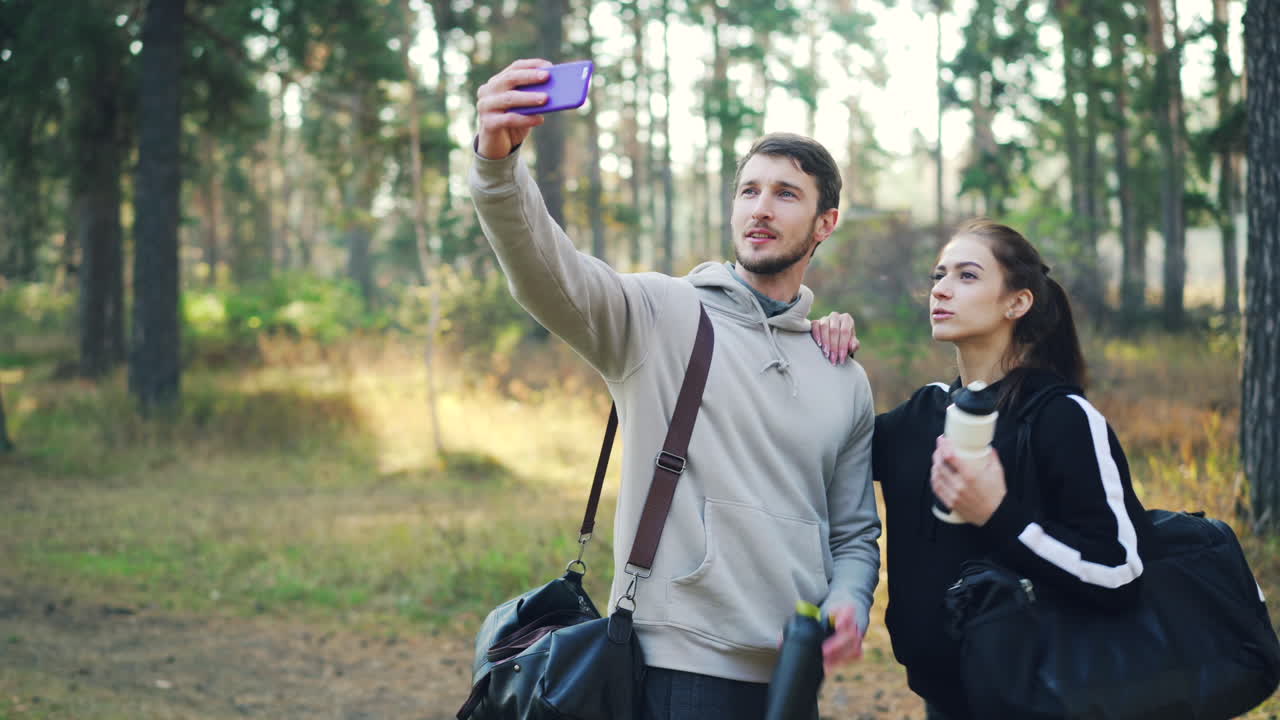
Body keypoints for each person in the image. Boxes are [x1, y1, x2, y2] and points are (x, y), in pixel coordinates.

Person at [469, 59, 881, 719]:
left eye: (785, 193)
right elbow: (547, 271)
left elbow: (856, 532)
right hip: (673, 667)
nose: (760, 209)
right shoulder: (661, 315)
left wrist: (850, 601)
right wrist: (498, 166)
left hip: (791, 675)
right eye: (748, 191)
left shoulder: (843, 374)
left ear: (825, 222)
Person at [812, 218, 1152, 720]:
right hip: (943, 699)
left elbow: (1119, 572)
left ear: (1017, 302)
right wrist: (823, 351)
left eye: (967, 276)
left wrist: (999, 516)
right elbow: (824, 450)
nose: (941, 290)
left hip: (1045, 699)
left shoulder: (1060, 417)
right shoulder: (923, 415)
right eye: (938, 275)